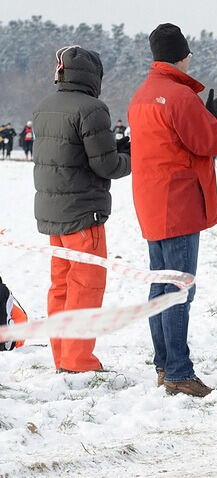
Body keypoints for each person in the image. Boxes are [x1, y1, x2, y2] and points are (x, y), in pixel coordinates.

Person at [129, 23, 217, 397]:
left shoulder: (143, 94)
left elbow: (176, 140)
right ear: (183, 54)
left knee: (161, 287)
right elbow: (211, 141)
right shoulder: (178, 95)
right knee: (178, 290)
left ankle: (164, 365)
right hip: (180, 203)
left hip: (153, 202)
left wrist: (210, 113)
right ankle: (177, 371)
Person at [33, 45, 131, 373]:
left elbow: (71, 154)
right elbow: (105, 166)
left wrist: (114, 148)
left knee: (60, 286)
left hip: (53, 212)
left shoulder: (44, 106)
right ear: (94, 76)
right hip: (83, 213)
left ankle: (63, 357)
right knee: (86, 287)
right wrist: (129, 159)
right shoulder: (93, 108)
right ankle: (79, 361)